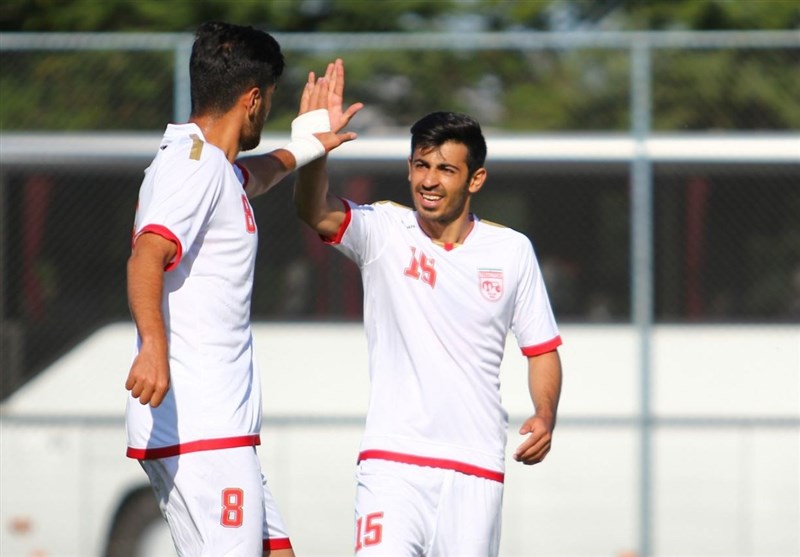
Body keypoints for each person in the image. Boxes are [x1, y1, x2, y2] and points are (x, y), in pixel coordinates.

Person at [124, 22, 359, 556]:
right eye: (270, 99)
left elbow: (255, 175)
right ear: (253, 99)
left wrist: (307, 146)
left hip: (218, 429)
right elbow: (147, 254)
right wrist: (153, 347)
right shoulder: (196, 167)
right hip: (202, 428)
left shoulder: (211, 167)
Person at [294, 105, 563, 555]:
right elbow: (314, 211)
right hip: (393, 463)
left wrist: (545, 414)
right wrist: (313, 145)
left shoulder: (512, 251)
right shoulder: (383, 230)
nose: (429, 181)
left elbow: (541, 350)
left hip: (475, 466)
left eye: (445, 169)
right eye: (421, 165)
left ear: (475, 179)